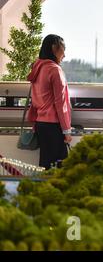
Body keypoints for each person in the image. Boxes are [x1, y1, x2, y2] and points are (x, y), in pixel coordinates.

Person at [27, 34, 72, 169]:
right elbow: (60, 103)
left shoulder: (38, 68)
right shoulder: (54, 70)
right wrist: (66, 130)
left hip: (41, 124)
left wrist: (35, 122)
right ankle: (55, 190)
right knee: (60, 165)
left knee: (45, 163)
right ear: (54, 48)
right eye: (63, 48)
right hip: (54, 126)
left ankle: (42, 189)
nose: (64, 54)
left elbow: (35, 99)